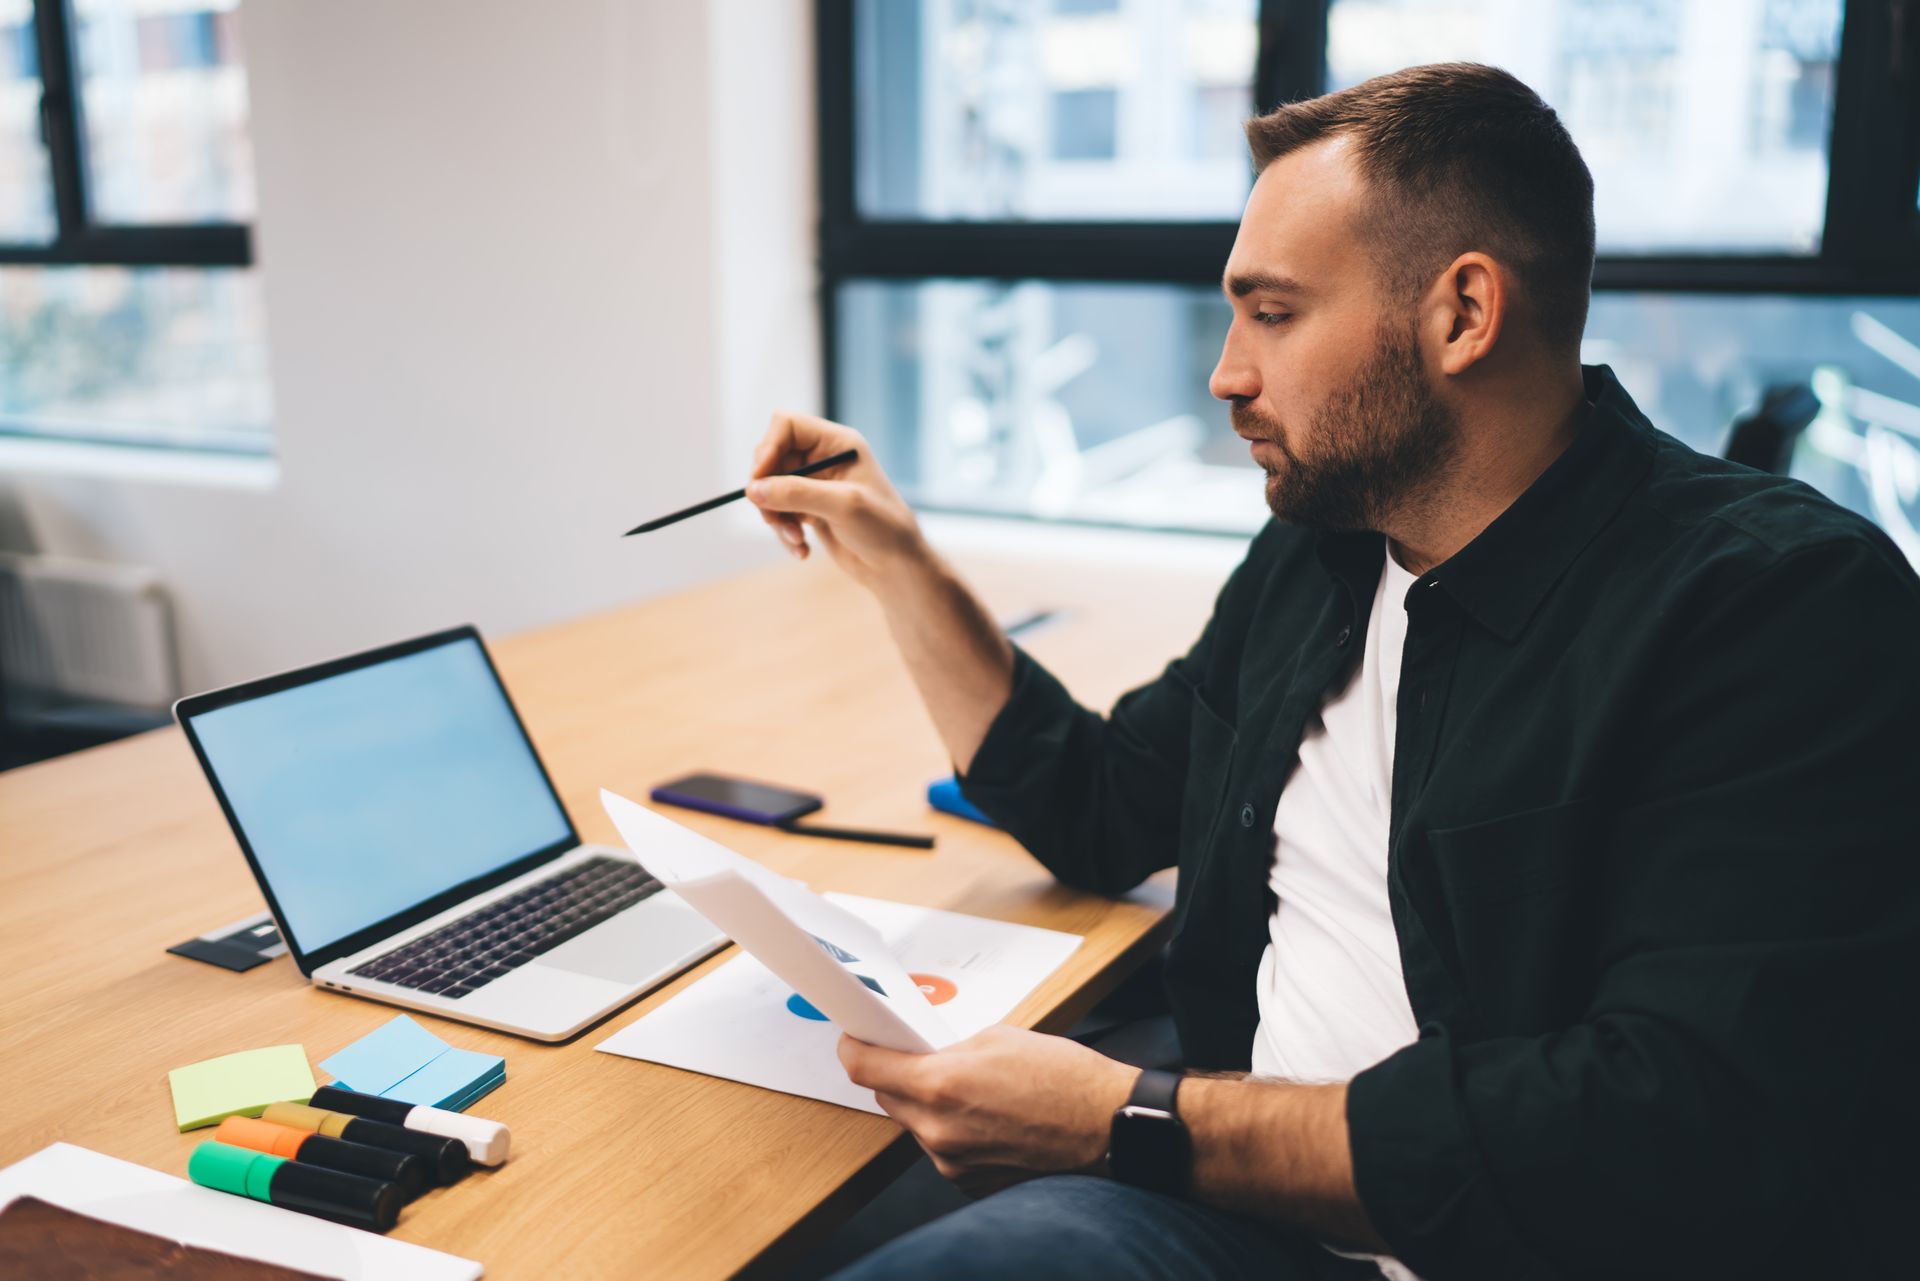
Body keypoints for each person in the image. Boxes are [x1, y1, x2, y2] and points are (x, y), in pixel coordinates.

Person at [745, 63, 1920, 1281]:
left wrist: (1126, 1118)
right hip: (1227, 1183)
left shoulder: (1783, 607)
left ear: (1463, 314)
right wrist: (895, 560)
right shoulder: (1329, 543)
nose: (1226, 373)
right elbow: (1100, 803)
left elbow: (1669, 1132)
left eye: (1275, 313)